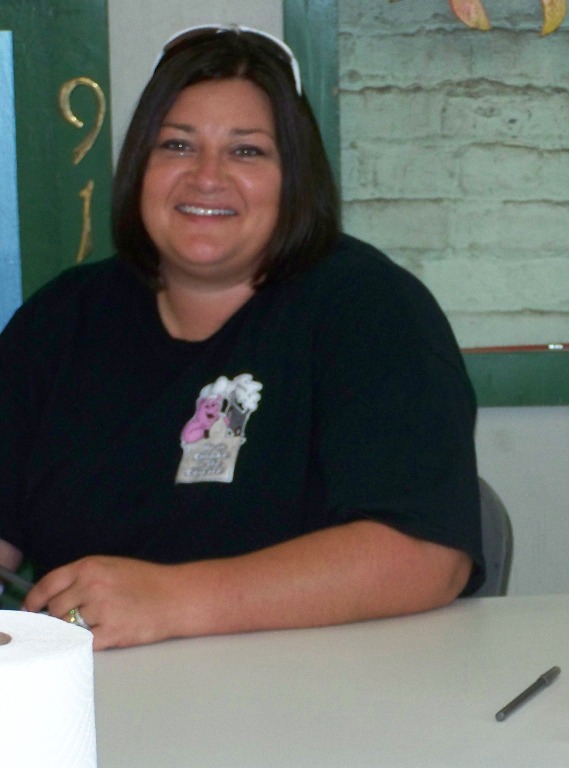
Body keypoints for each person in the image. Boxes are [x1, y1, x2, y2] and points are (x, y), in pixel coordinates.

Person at [0, 25, 484, 649]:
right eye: (177, 145)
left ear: (295, 177)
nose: (207, 176)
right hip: (96, 693)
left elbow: (429, 555)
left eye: (247, 151)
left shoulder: (372, 309)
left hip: (318, 693)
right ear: (139, 168)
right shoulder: (60, 319)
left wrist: (171, 601)